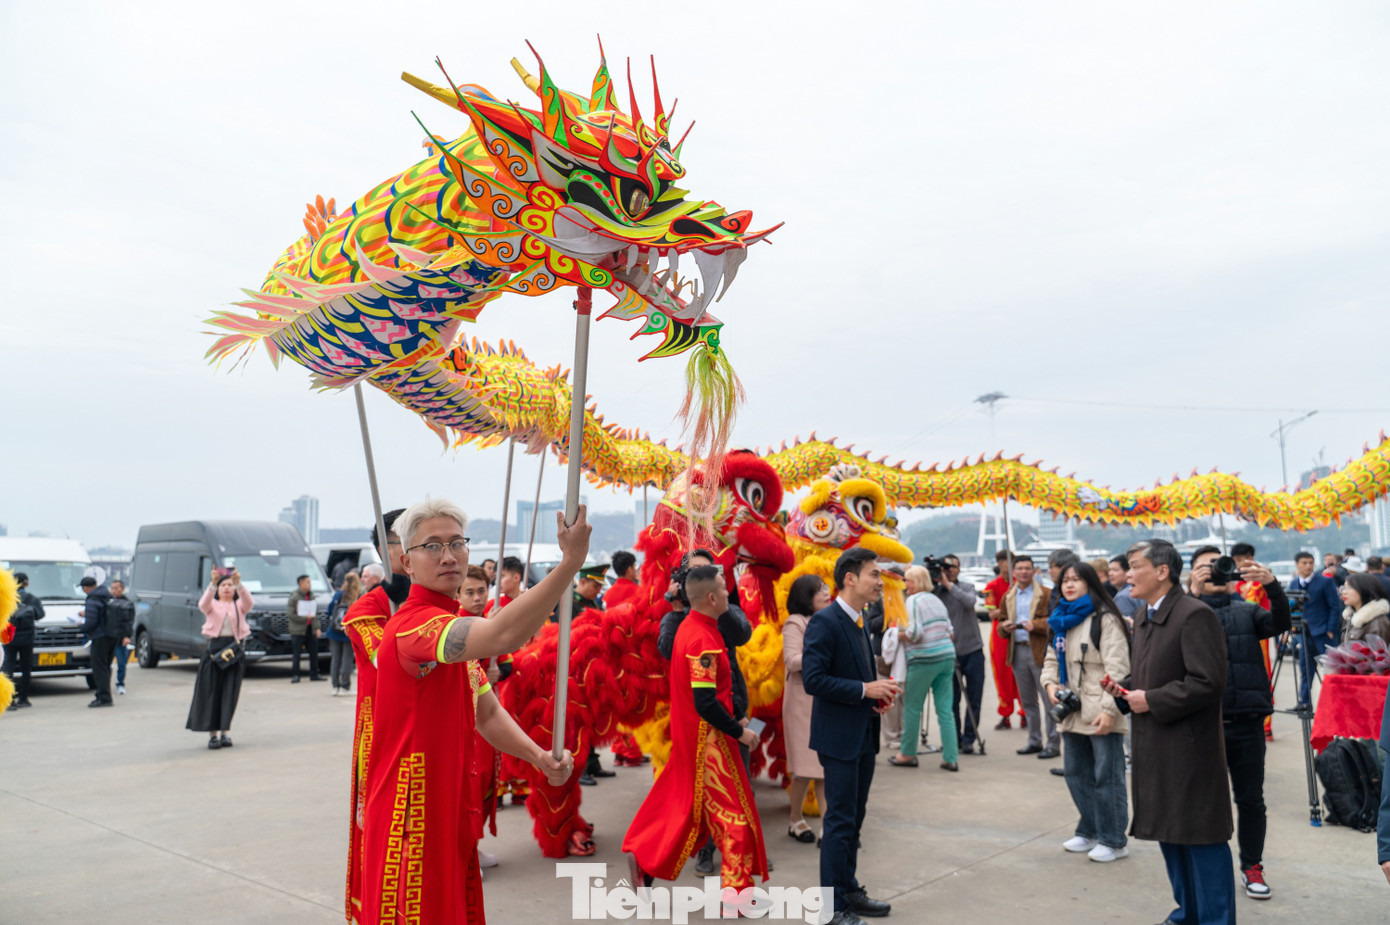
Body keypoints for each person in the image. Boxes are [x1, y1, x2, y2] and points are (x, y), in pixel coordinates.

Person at [360, 498, 585, 925]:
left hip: (449, 808)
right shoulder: (415, 626)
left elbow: (486, 713)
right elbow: (503, 634)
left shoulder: (451, 627)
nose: (448, 556)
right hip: (411, 816)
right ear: (406, 562)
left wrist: (538, 757)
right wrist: (568, 564)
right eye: (432, 546)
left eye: (456, 543)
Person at [1102, 540, 1234, 925]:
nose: (1127, 574)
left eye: (1134, 566)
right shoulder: (1144, 616)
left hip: (1188, 749)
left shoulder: (1194, 615)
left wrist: (1152, 700)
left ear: (1162, 571)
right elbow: (1151, 675)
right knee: (1171, 835)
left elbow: (1208, 682)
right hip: (1155, 745)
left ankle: (1215, 919)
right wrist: (1125, 690)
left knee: (1201, 839)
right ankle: (1186, 913)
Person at [624, 565, 769, 894]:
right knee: (735, 821)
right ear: (712, 597)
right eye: (724, 587)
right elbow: (705, 702)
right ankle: (735, 896)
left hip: (700, 737)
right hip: (711, 743)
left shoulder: (694, 627)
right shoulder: (702, 638)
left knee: (690, 812)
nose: (729, 593)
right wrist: (739, 731)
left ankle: (647, 862)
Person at [801, 547, 899, 924]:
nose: (879, 582)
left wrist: (876, 697)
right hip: (839, 738)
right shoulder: (825, 622)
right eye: (874, 574)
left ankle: (849, 889)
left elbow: (859, 675)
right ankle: (832, 906)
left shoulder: (859, 619)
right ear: (850, 579)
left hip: (862, 732)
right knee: (839, 822)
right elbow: (814, 680)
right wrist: (864, 690)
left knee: (854, 820)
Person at [1188, 545, 1290, 899]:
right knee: (1202, 802)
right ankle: (1207, 872)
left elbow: (1280, 623)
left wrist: (1272, 586)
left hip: (1246, 720)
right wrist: (1191, 594)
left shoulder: (1248, 611)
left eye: (1219, 565)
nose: (1214, 572)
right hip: (1202, 724)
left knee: (1250, 800)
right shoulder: (1186, 612)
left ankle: (1252, 865)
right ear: (1191, 574)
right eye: (1205, 568)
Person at [656, 548, 754, 875]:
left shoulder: (720, 617)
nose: (726, 587)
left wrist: (718, 605)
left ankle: (738, 864)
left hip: (725, 715)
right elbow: (704, 699)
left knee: (731, 804)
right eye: (694, 573)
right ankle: (729, 874)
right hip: (712, 733)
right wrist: (678, 608)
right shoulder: (693, 631)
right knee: (727, 811)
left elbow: (741, 633)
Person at [1040, 560, 1131, 862]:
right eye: (1065, 580)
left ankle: (1114, 839)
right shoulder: (1060, 619)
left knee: (1107, 776)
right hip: (1070, 708)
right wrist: (1050, 685)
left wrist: (1109, 710)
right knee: (1077, 774)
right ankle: (1089, 830)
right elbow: (1051, 659)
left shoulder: (1105, 619)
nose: (1069, 585)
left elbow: (1118, 669)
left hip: (1099, 706)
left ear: (1091, 583)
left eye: (1076, 580)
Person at [343, 509, 407, 924]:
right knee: (386, 823)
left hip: (436, 724)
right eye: (418, 539)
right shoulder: (366, 609)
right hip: (385, 728)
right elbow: (393, 661)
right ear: (387, 549)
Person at [891, 565, 958, 772]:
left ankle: (907, 754)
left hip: (924, 659)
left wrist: (896, 634)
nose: (905, 584)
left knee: (912, 708)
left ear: (916, 582)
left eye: (908, 580)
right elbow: (951, 632)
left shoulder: (912, 601)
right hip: (947, 657)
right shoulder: (936, 600)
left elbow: (915, 633)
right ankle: (950, 757)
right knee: (945, 710)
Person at [997, 556, 1059, 759]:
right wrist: (1005, 627)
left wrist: (1037, 625)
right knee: (1028, 701)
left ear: (1034, 571)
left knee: (1049, 699)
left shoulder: (1046, 594)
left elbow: (1055, 620)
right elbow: (1001, 624)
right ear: (1013, 572)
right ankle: (1034, 740)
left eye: (1028, 568)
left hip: (1040, 651)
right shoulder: (1009, 596)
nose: (1024, 572)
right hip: (1018, 651)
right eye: (1020, 568)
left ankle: (1052, 743)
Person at [782, 574, 828, 843]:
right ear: (805, 596)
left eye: (825, 588)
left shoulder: (828, 619)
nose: (826, 592)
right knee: (803, 769)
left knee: (820, 767)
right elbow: (791, 661)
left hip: (823, 698)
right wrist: (824, 651)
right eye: (819, 590)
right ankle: (796, 819)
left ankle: (823, 824)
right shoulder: (795, 622)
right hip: (801, 701)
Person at [187, 570, 253, 748]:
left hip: (233, 651)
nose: (226, 588)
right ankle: (213, 735)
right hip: (214, 651)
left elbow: (249, 602)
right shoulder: (212, 605)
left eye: (229, 585)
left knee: (229, 693)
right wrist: (212, 584)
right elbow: (203, 604)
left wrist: (240, 584)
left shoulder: (239, 605)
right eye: (223, 585)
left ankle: (225, 733)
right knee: (211, 693)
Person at [936, 555, 983, 755]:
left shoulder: (966, 587)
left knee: (974, 697)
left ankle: (969, 739)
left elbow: (970, 602)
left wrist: (949, 586)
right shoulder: (935, 593)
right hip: (948, 653)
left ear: (959, 568)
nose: (949, 570)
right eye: (945, 567)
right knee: (950, 700)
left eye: (952, 567)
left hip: (972, 650)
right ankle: (953, 738)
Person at [1289, 551, 1341, 705]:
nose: (1308, 566)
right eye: (1304, 563)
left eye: (1310, 563)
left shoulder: (1325, 582)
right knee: (1305, 669)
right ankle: (1304, 701)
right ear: (1297, 564)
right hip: (1303, 634)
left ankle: (1334, 701)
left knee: (1331, 669)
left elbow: (1335, 607)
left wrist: (1330, 629)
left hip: (1323, 633)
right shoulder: (1293, 583)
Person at [983, 549, 1023, 730]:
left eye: (1011, 561)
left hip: (1020, 632)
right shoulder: (992, 586)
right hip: (1000, 635)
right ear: (999, 563)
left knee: (1023, 675)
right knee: (1002, 673)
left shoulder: (1021, 585)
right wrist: (1008, 605)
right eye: (1005, 561)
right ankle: (1005, 714)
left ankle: (1026, 713)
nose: (1009, 565)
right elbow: (992, 614)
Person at [3, 572, 42, 709]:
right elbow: (40, 615)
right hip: (27, 638)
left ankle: (8, 701)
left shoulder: (6, 596)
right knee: (26, 668)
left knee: (8, 667)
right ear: (26, 583)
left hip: (9, 637)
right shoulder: (32, 599)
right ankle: (23, 699)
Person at [80, 576, 116, 708]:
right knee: (106, 666)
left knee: (99, 667)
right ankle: (105, 695)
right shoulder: (107, 595)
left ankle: (104, 697)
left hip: (99, 637)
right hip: (112, 635)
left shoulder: (92, 599)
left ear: (86, 588)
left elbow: (91, 622)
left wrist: (81, 626)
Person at [326, 571, 361, 695]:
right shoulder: (357, 597)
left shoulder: (338, 595)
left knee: (335, 659)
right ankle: (345, 687)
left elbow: (330, 610)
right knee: (347, 659)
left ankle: (335, 686)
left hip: (334, 631)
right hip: (348, 632)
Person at [286, 573, 324, 683]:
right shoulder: (294, 597)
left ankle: (314, 673)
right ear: (301, 583)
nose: (309, 584)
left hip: (310, 628)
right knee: (297, 653)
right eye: (307, 582)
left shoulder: (311, 596)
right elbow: (291, 614)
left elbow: (315, 614)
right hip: (298, 629)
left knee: (313, 652)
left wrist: (317, 627)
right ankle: (296, 674)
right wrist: (304, 618)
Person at [1342, 573, 1390, 642]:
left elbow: (1377, 652)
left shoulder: (1378, 622)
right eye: (1344, 588)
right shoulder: (1351, 615)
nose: (1344, 592)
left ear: (1364, 589)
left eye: (1349, 587)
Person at [108, 579, 135, 695]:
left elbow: (129, 622)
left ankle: (120, 684)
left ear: (122, 589)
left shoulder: (128, 604)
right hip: (108, 638)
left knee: (121, 663)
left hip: (120, 639)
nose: (113, 590)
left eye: (116, 588)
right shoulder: (107, 602)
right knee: (105, 664)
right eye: (112, 588)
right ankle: (105, 684)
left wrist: (127, 636)